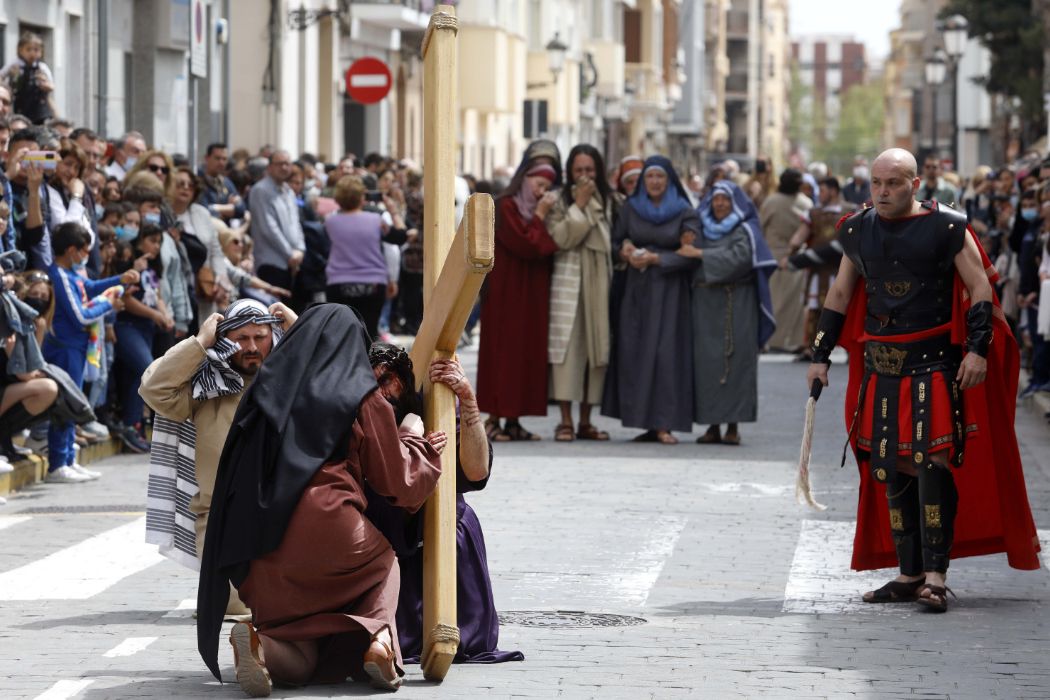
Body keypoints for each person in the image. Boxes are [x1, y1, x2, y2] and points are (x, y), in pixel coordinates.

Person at [805, 148, 1040, 613]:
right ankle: (909, 574)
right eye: (876, 183)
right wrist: (819, 356)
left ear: (915, 184)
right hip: (882, 363)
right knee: (890, 463)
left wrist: (976, 349)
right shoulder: (857, 229)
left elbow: (979, 287)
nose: (883, 191)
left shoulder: (948, 225)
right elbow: (839, 292)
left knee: (932, 460)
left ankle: (936, 576)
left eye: (893, 183)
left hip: (933, 361)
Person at [197, 303, 443, 695]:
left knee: (300, 659)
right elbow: (399, 483)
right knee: (384, 563)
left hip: (257, 544)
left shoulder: (266, 389)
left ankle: (259, 642)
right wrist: (413, 436)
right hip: (331, 523)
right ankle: (379, 641)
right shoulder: (360, 394)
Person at [364, 351, 522, 664]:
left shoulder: (431, 402)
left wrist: (468, 398)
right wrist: (410, 450)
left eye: (388, 380)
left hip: (448, 533)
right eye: (373, 382)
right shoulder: (362, 410)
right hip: (391, 534)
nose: (381, 391)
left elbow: (476, 472)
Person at [140, 299, 295, 612]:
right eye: (241, 338)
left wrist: (302, 330)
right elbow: (154, 388)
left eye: (260, 337)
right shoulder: (206, 386)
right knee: (236, 606)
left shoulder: (293, 380)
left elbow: (342, 381)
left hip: (287, 518)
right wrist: (199, 343)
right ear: (225, 340)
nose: (252, 346)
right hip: (222, 520)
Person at [601, 156, 700, 444]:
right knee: (638, 353)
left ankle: (664, 423)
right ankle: (644, 421)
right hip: (638, 290)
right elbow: (616, 241)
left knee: (666, 354)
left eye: (660, 177)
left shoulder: (684, 211)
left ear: (669, 181)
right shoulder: (632, 208)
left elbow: (693, 252)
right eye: (649, 177)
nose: (654, 182)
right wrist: (626, 251)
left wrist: (660, 259)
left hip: (670, 291)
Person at [676, 180, 777, 445]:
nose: (720, 204)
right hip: (704, 303)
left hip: (737, 302)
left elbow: (740, 259)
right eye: (716, 199)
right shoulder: (700, 227)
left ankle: (733, 426)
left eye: (725, 199)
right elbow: (683, 253)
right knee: (706, 364)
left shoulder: (745, 229)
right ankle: (712, 426)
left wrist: (699, 253)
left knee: (736, 362)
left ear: (735, 203)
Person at [477, 139, 561, 442]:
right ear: (526, 180)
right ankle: (494, 419)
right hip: (506, 291)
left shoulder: (540, 209)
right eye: (538, 184)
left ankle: (513, 420)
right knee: (503, 352)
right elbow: (528, 244)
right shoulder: (508, 206)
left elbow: (549, 244)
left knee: (526, 353)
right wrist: (539, 216)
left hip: (532, 293)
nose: (541, 192)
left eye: (545, 186)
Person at [43, 222, 139, 481]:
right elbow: (80, 316)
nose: (87, 255)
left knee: (72, 403)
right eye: (85, 250)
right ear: (72, 250)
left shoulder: (72, 275)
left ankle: (67, 458)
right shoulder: (59, 276)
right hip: (64, 349)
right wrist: (108, 304)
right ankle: (57, 462)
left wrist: (119, 280)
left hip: (76, 348)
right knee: (64, 404)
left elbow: (90, 288)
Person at [545, 144, 612, 442]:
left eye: (589, 170)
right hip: (568, 281)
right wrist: (580, 206)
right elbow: (560, 238)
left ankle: (586, 420)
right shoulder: (559, 201)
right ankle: (566, 420)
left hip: (599, 283)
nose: (584, 176)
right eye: (578, 171)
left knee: (596, 350)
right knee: (567, 351)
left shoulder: (610, 201)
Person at [323, 175, 407, 338]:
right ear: (362, 198)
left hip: (339, 282)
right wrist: (394, 211)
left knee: (342, 333)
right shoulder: (376, 220)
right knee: (369, 332)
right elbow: (400, 236)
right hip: (373, 283)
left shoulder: (330, 222)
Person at [760, 168, 811, 352]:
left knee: (773, 299)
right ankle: (793, 340)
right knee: (795, 302)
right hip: (798, 258)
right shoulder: (806, 203)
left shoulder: (771, 201)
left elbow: (761, 226)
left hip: (772, 256)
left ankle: (773, 339)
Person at [249, 150, 303, 295]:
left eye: (287, 164)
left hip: (291, 262)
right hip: (271, 261)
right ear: (270, 167)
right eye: (280, 164)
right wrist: (290, 254)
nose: (284, 167)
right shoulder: (261, 190)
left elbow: (296, 223)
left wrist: (300, 250)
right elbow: (269, 227)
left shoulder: (288, 191)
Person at [0, 32, 56, 125]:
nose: (32, 53)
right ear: (20, 50)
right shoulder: (15, 64)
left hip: (38, 109)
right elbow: (1, 75)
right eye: (28, 50)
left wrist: (45, 85)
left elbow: (51, 85)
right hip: (20, 105)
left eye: (36, 50)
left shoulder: (42, 67)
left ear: (41, 52)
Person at [197, 143, 246, 223]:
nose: (221, 163)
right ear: (207, 158)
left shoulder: (227, 183)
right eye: (217, 158)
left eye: (224, 159)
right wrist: (229, 208)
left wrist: (215, 207)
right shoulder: (198, 181)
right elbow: (205, 211)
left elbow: (241, 210)